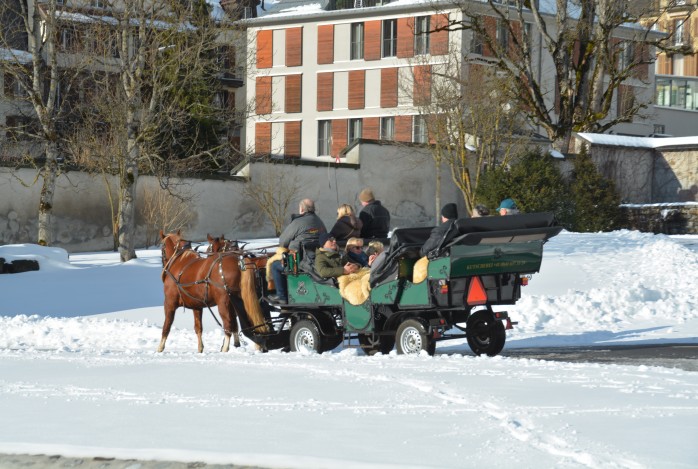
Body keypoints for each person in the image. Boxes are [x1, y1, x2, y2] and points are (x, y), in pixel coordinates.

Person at [269, 198, 327, 304]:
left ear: (301, 209)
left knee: (275, 266)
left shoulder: (298, 222)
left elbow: (283, 240)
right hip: (316, 258)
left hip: (300, 260)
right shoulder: (319, 221)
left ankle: (282, 296)